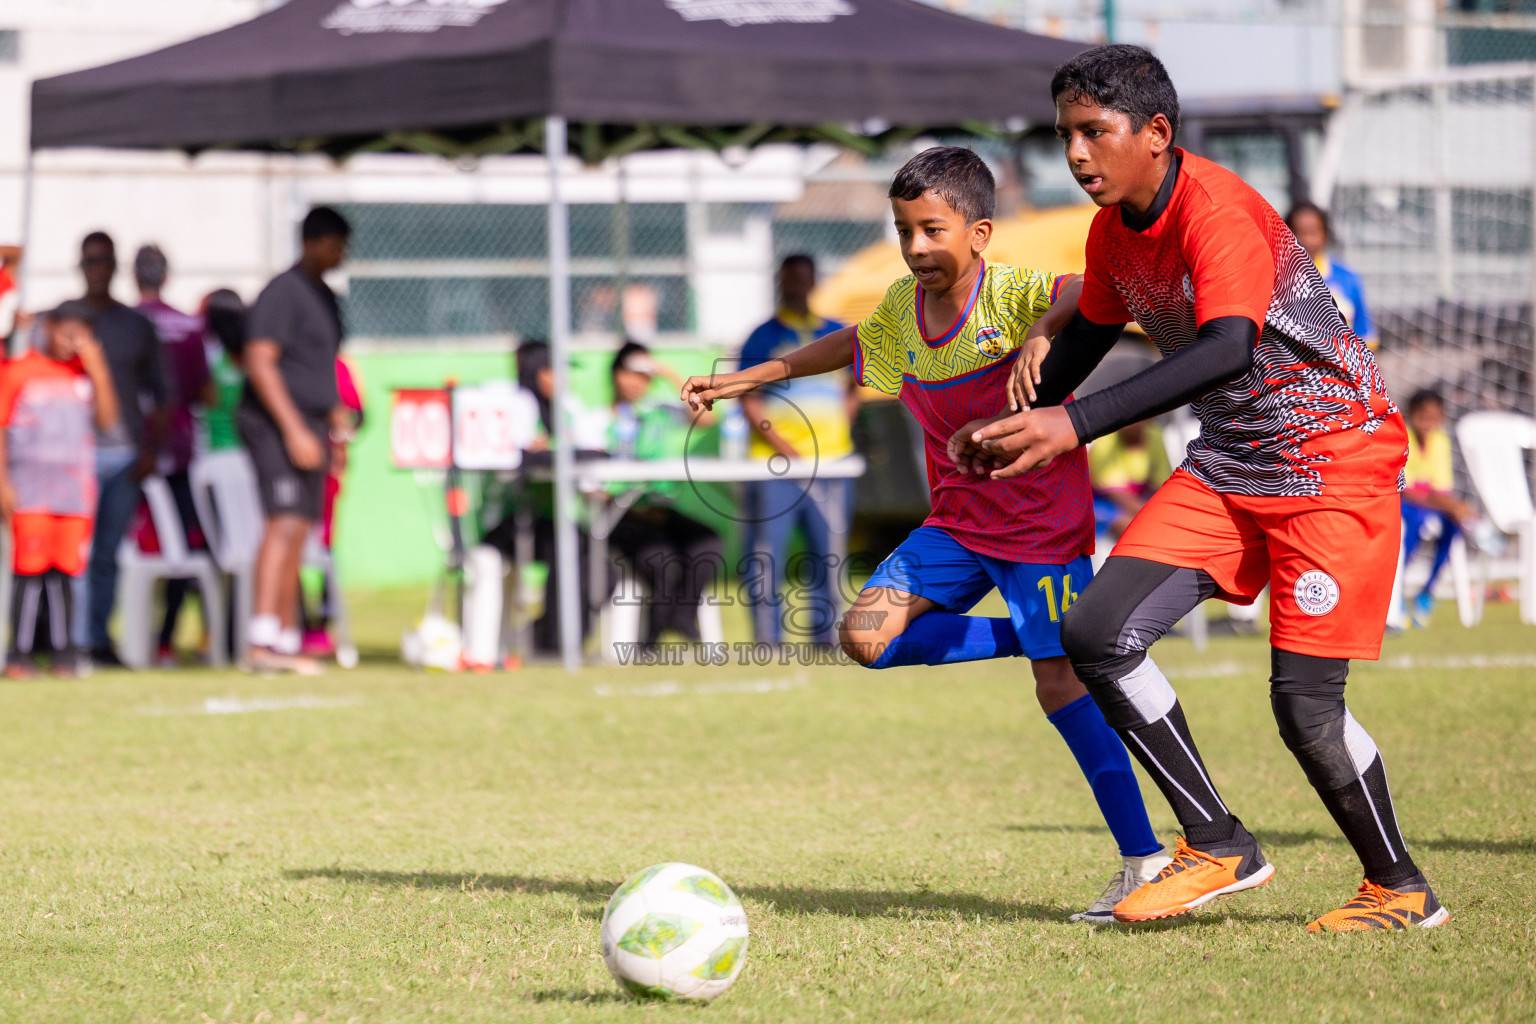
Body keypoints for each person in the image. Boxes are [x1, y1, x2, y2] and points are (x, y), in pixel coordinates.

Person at [963, 45, 1444, 931]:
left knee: (1304, 708)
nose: (1075, 154)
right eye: (1065, 133)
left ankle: (1401, 888)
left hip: (1332, 463)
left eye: (1093, 133)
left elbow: (1225, 345)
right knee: (1096, 632)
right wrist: (1020, 417)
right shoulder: (1111, 233)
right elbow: (1091, 338)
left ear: (1155, 133)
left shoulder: (1215, 210)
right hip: (1231, 463)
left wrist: (1069, 426)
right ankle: (1219, 842)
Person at [683, 146, 1169, 924]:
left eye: (931, 230)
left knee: (1061, 688)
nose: (915, 248)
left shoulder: (1008, 294)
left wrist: (1045, 328)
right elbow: (846, 344)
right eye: (905, 231)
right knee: (864, 634)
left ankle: (1144, 860)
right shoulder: (899, 313)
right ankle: (1033, 637)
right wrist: (746, 378)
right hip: (957, 525)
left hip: (1041, 531)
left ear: (977, 233)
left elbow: (1090, 290)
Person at [239, 207, 352, 673]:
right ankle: (260, 640)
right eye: (333, 244)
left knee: (302, 528)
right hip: (274, 425)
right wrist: (292, 430)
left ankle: (285, 639)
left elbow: (318, 370)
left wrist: (335, 422)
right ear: (311, 242)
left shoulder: (325, 297)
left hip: (312, 425)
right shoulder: (282, 293)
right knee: (281, 523)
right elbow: (260, 361)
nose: (340, 254)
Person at [736, 255, 855, 647]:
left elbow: (854, 386)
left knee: (829, 555)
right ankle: (768, 641)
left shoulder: (835, 332)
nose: (797, 285)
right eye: (790, 278)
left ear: (813, 281)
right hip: (774, 467)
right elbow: (748, 398)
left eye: (804, 278)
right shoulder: (762, 338)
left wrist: (842, 427)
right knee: (768, 557)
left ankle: (827, 640)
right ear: (780, 282)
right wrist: (783, 446)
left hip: (832, 464)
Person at [0, 302, 119, 677]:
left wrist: (98, 369)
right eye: (67, 333)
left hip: (74, 493)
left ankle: (64, 653)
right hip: (30, 490)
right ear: (49, 327)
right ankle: (18, 654)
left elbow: (108, 421)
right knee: (29, 570)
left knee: (66, 571)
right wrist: (3, 483)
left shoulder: (84, 376)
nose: (72, 343)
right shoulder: (21, 372)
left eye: (82, 335)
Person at [76, 231, 170, 667]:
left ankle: (96, 638)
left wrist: (150, 450)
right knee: (70, 553)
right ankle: (63, 640)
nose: (97, 268)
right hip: (71, 456)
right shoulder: (65, 320)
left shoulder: (135, 326)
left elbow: (163, 395)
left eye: (104, 261)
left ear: (116, 267)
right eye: (90, 260)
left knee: (106, 555)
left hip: (123, 456)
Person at [607, 341, 723, 647]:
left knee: (707, 544)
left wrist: (667, 372)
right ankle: (652, 638)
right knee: (662, 559)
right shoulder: (601, 418)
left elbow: (706, 419)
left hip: (660, 510)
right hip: (621, 514)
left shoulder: (658, 412)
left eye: (643, 376)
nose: (636, 383)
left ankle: (682, 618)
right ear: (615, 375)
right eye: (629, 374)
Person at [134, 245, 215, 666]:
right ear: (167, 277)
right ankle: (165, 640)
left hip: (131, 455)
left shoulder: (125, 324)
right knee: (184, 548)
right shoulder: (188, 327)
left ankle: (112, 637)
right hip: (178, 455)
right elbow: (205, 392)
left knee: (131, 552)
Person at [1401, 389, 1475, 627]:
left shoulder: (1441, 441)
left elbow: (1441, 489)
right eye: (1422, 415)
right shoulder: (1402, 438)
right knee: (1413, 524)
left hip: (1430, 505)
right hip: (1404, 505)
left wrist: (1455, 509)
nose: (1428, 422)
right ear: (1411, 415)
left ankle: (1427, 591)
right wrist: (1453, 505)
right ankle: (1396, 590)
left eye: (1435, 417)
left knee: (1455, 524)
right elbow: (1406, 490)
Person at [1286, 201, 1376, 349]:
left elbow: (1365, 338)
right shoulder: (1277, 280)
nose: (1307, 240)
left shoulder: (1348, 279)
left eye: (1313, 232)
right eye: (1299, 233)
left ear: (1325, 234)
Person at [1088, 420, 1166, 540]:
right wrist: (1152, 516)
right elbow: (1116, 494)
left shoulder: (1156, 436)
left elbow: (1161, 486)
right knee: (1131, 526)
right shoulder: (1105, 440)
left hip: (1140, 501)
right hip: (1103, 503)